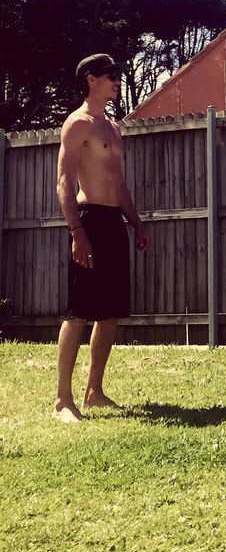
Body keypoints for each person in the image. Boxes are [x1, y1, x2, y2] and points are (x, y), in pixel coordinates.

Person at [53, 54, 152, 422]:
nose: (117, 80)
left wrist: (137, 224)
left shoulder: (111, 126)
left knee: (110, 312)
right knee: (79, 311)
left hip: (113, 222)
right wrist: (76, 231)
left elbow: (119, 182)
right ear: (91, 79)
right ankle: (63, 401)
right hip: (89, 219)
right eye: (112, 76)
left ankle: (94, 391)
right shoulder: (77, 124)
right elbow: (64, 182)